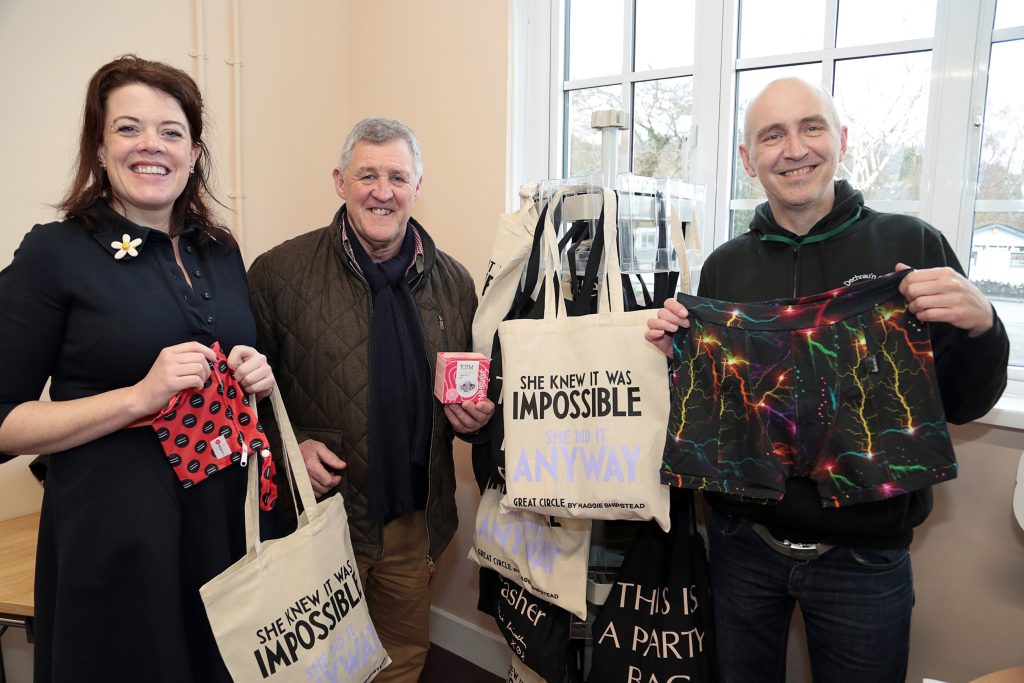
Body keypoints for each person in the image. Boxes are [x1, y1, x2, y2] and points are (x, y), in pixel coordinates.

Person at [645, 77, 1009, 682]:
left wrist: (983, 327)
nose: (794, 149)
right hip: (742, 545)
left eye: (811, 127)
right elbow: (724, 408)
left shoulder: (912, 245)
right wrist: (675, 355)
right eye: (772, 135)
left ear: (840, 140)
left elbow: (967, 403)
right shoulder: (725, 266)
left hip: (865, 559)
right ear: (748, 158)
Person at [0, 55, 274, 682]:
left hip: (221, 530)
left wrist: (252, 374)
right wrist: (138, 397)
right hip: (118, 541)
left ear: (194, 151)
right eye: (128, 128)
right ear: (99, 147)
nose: (151, 145)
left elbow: (220, 373)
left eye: (171, 131)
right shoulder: (56, 252)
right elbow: (3, 421)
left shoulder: (220, 250)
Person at [247, 116, 494, 683]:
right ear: (340, 182)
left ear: (417, 187)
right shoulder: (278, 274)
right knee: (316, 666)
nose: (383, 191)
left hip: (414, 518)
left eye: (397, 177)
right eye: (367, 175)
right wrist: (288, 450)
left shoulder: (453, 283)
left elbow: (469, 394)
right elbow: (243, 395)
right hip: (321, 513)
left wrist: (476, 421)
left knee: (402, 656)